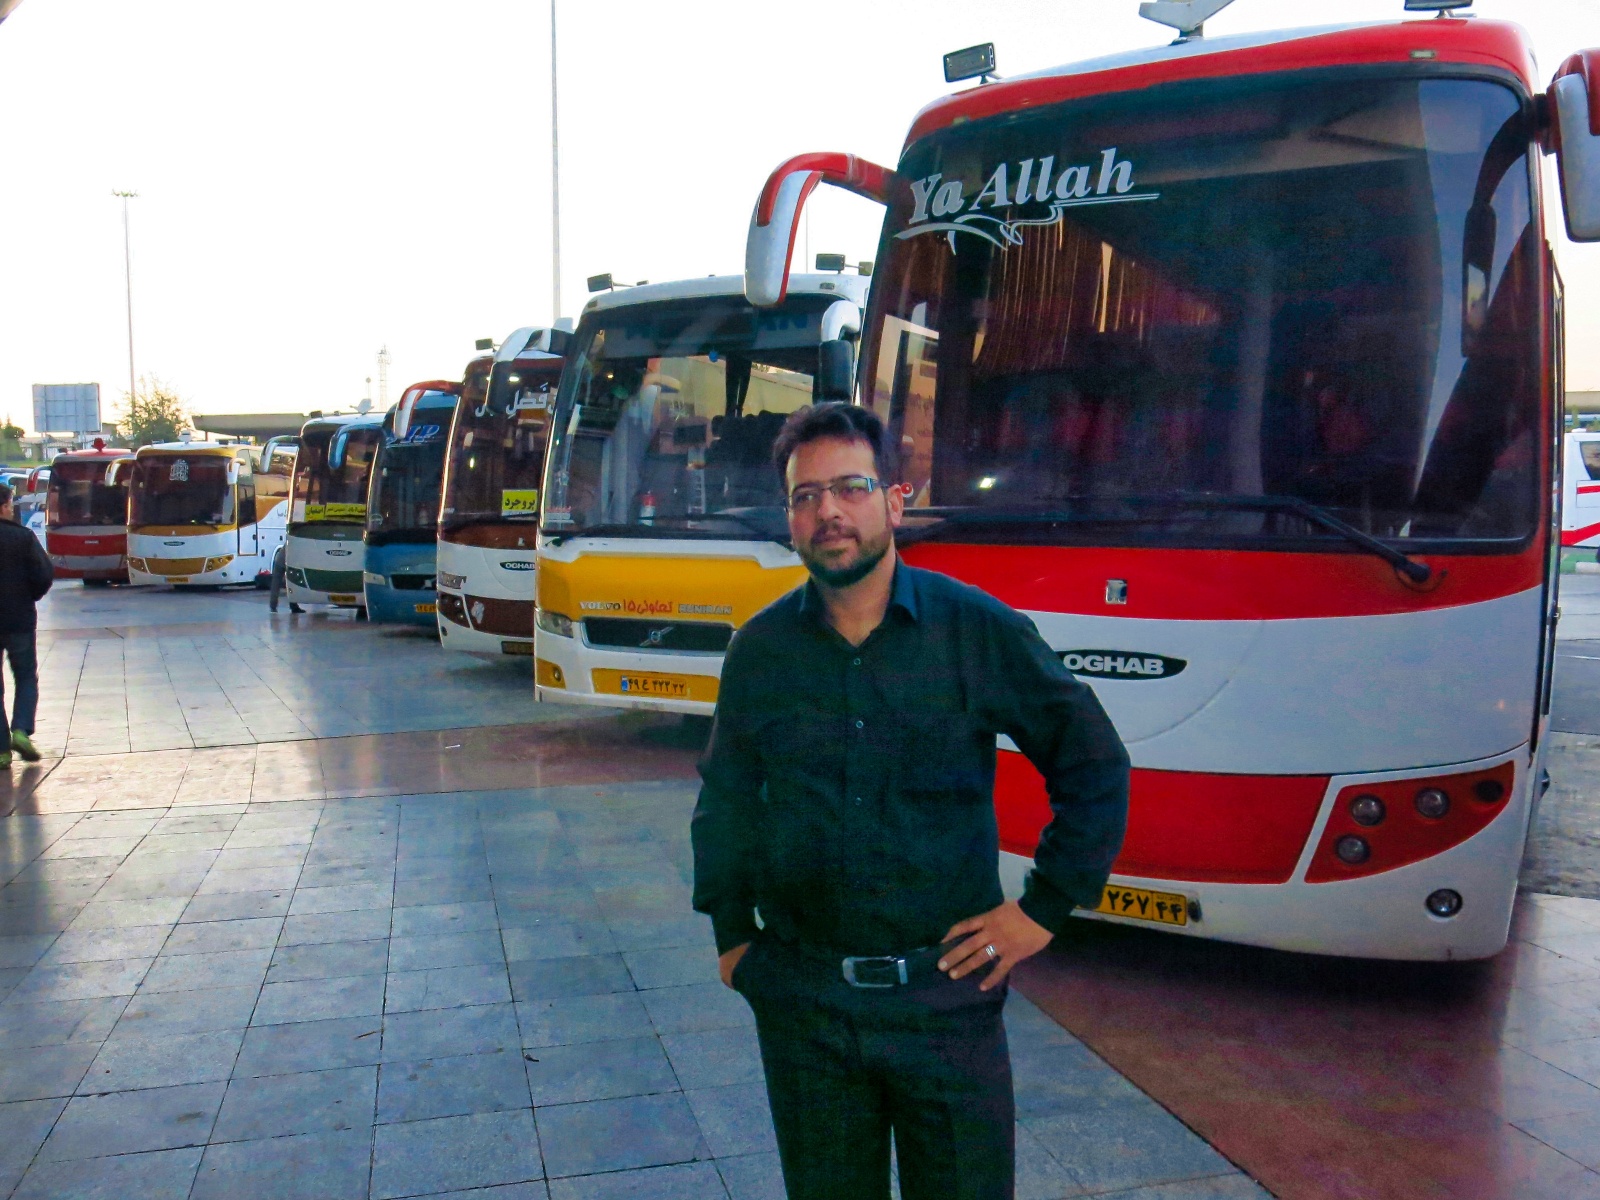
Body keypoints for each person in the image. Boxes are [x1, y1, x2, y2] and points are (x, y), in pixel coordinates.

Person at [692, 402, 1130, 1200]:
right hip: (807, 1007)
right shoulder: (760, 653)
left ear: (894, 501)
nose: (827, 511)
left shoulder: (975, 630)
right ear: (788, 517)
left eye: (850, 488)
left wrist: (1041, 912)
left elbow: (1095, 764)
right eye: (805, 495)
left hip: (945, 1003)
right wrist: (733, 939)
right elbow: (725, 801)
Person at [0, 482, 54, 767]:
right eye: (9, 504)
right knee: (25, 676)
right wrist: (29, 595)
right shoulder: (23, 538)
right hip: (19, 619)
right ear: (4, 506)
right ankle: (20, 730)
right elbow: (44, 573)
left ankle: (1, 751)